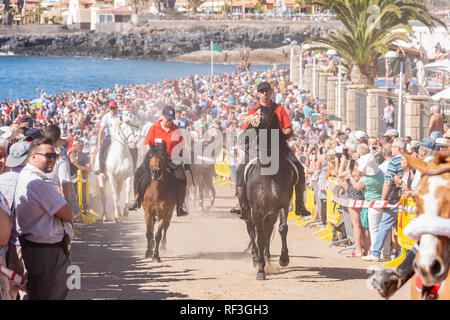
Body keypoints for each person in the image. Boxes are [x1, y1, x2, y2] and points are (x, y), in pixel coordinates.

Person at [231, 81, 309, 219]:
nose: (265, 93)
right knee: (240, 170)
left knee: (299, 169)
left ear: (271, 92)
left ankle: (299, 205)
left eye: (267, 91)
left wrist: (283, 136)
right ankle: (242, 205)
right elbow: (245, 132)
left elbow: (288, 128)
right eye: (262, 91)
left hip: (277, 145)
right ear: (258, 94)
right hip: (257, 147)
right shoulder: (253, 112)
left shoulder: (278, 110)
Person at [14, 137, 74, 299]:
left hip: (41, 250)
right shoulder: (39, 183)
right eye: (48, 156)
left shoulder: (28, 175)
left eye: (54, 156)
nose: (53, 160)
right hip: (48, 253)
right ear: (33, 156)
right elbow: (68, 214)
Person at [128, 106, 188, 217]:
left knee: (182, 177)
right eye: (167, 119)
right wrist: (151, 157)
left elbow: (181, 147)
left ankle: (180, 205)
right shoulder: (154, 128)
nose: (169, 122)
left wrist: (181, 159)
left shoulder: (176, 130)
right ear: (162, 116)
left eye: (171, 119)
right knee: (138, 173)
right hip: (154, 160)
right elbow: (147, 144)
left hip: (170, 161)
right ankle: (136, 199)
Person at [363, 138, 406, 262]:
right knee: (402, 227)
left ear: (398, 148)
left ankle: (376, 253)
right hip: (407, 198)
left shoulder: (394, 161)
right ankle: (401, 253)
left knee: (384, 225)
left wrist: (382, 200)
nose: (391, 149)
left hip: (394, 198)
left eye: (393, 147)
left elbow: (387, 183)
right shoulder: (411, 160)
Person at [0, 140, 30, 300]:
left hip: (8, 246)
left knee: (9, 289)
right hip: (22, 243)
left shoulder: (2, 179)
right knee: (24, 287)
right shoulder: (33, 181)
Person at [95, 100, 120, 174]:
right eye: (111, 108)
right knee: (102, 149)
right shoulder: (106, 117)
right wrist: (99, 145)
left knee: (132, 147)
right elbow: (101, 131)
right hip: (110, 137)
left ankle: (133, 166)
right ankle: (101, 167)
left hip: (119, 137)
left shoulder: (120, 116)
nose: (112, 110)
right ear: (109, 108)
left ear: (117, 108)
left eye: (114, 108)